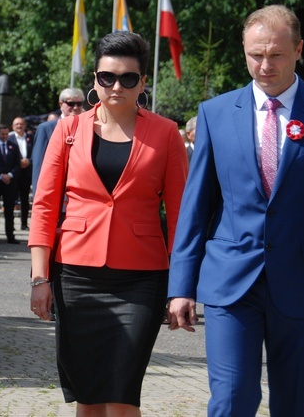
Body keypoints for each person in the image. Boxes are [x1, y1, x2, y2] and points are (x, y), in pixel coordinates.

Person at [168, 4, 304, 416]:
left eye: (276, 54)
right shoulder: (215, 113)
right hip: (231, 281)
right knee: (231, 401)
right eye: (255, 54)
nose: (264, 65)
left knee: (295, 406)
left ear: (299, 50)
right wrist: (181, 285)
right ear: (243, 48)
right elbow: (197, 205)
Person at [28, 31, 188, 416]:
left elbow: (182, 214)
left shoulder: (166, 133)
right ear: (95, 79)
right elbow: (45, 205)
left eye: (128, 78)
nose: (117, 86)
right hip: (76, 278)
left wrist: (182, 286)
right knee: (89, 394)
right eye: (107, 77)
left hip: (142, 278)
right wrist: (39, 278)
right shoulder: (67, 131)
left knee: (121, 392)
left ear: (143, 82)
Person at [31, 88, 85, 190]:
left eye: (79, 103)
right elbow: (39, 166)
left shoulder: (88, 127)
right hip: (56, 190)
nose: (75, 107)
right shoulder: (46, 129)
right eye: (71, 103)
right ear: (61, 104)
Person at [10, 116, 33, 230]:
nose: (19, 126)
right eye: (17, 124)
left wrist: (29, 161)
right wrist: (18, 162)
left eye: (21, 124)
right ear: (13, 126)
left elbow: (35, 152)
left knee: (25, 199)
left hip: (26, 173)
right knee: (12, 199)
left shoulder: (30, 138)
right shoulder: (9, 138)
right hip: (14, 173)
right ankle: (11, 224)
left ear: (24, 125)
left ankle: (24, 224)